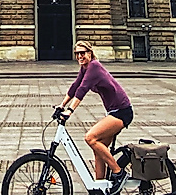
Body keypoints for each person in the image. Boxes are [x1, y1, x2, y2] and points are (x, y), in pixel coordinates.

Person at [56, 41, 133, 194]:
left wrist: (70, 111)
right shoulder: (85, 68)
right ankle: (99, 188)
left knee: (90, 138)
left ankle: (119, 173)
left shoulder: (94, 67)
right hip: (114, 111)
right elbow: (75, 86)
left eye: (82, 53)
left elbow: (83, 90)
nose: (80, 56)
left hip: (122, 111)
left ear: (90, 53)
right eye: (77, 53)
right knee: (98, 149)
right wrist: (61, 105)